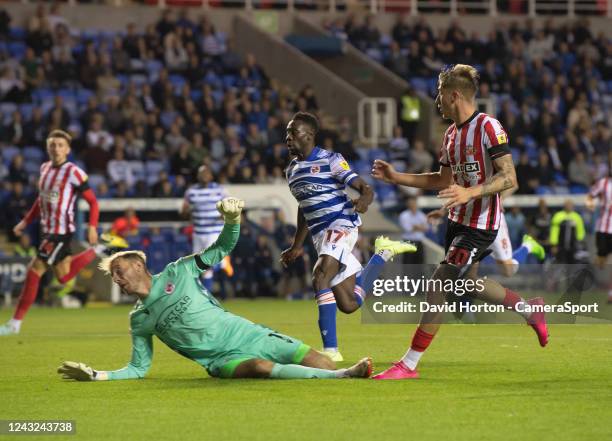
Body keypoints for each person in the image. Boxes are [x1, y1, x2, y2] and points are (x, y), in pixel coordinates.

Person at [57, 198, 373, 381]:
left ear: (138, 265)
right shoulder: (139, 319)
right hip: (221, 360)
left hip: (248, 333)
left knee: (320, 361)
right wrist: (98, 375)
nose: (116, 278)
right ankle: (344, 375)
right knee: (260, 367)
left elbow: (220, 250)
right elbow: (139, 368)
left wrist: (232, 220)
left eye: (118, 270)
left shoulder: (178, 271)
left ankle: (337, 372)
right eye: (113, 275)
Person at [371, 65, 549, 380]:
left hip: (481, 223)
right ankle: (528, 308)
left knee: (440, 282)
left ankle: (408, 364)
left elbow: (509, 176)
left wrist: (471, 192)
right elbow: (440, 179)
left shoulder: (488, 126)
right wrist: (396, 177)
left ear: (454, 95)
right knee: (462, 290)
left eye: (439, 95)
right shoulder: (451, 135)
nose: (436, 102)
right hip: (457, 220)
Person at [280, 111, 416, 362]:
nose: (287, 137)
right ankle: (382, 255)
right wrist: (296, 245)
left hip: (341, 223)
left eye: (293, 132)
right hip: (321, 235)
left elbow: (364, 187)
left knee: (320, 276)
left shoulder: (331, 160)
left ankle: (331, 351)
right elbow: (304, 206)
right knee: (349, 304)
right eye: (287, 132)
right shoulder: (292, 170)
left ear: (309, 135)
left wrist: (364, 200)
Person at [0, 130, 127, 336]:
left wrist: (92, 227)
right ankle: (100, 248)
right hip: (46, 231)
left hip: (60, 232)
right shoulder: (44, 169)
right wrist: (25, 221)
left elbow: (93, 202)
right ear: (48, 147)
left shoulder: (73, 172)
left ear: (67, 149)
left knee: (35, 270)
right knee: (63, 276)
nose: (56, 148)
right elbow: (40, 202)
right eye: (53, 144)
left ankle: (15, 323)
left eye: (60, 145)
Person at [180, 165, 230, 292]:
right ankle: (206, 295)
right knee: (200, 267)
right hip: (198, 233)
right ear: (198, 176)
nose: (204, 176)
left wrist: (224, 214)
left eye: (206, 173)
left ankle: (222, 263)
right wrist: (185, 211)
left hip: (214, 231)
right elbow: (183, 212)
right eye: (201, 174)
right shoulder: (191, 192)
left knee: (207, 263)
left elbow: (229, 208)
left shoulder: (219, 190)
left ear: (211, 176)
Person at [586, 169, 612, 302]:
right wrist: (590, 207)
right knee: (601, 262)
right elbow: (590, 196)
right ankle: (589, 273)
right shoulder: (603, 183)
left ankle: (610, 293)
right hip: (603, 228)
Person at [549, 200, 586, 264]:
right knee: (560, 262)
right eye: (567, 205)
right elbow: (554, 232)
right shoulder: (558, 216)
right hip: (560, 246)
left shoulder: (577, 217)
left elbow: (580, 231)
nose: (569, 207)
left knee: (572, 263)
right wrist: (554, 244)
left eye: (570, 205)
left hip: (573, 246)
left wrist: (580, 242)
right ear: (564, 206)